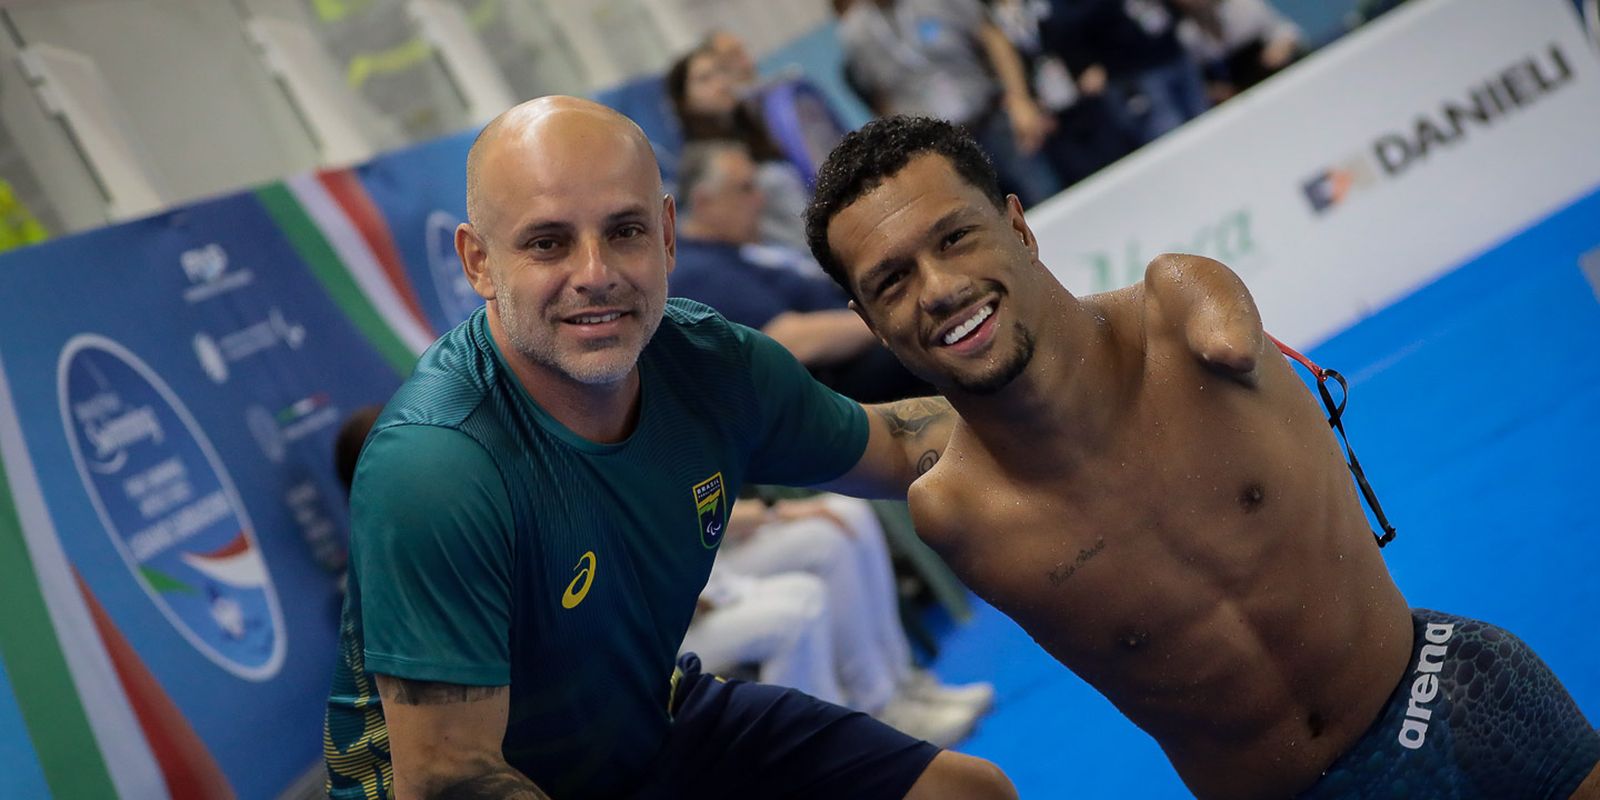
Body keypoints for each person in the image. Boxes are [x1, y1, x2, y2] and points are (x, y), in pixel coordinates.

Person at [802, 115, 1600, 799]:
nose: (938, 288)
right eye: (892, 281)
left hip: (1455, 702)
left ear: (1019, 226)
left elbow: (1218, 323)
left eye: (955, 237)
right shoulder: (953, 510)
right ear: (868, 323)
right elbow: (808, 425)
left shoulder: (1182, 308)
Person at [322, 97, 1015, 800]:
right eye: (548, 243)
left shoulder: (709, 363)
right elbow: (452, 779)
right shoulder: (437, 464)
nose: (595, 272)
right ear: (478, 262)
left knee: (967, 794)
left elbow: (898, 444)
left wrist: (1064, 380)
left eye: (625, 231)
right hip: (491, 784)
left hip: (648, 725)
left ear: (667, 236)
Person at [672, 139, 930, 403]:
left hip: (856, 336)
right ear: (704, 202)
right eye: (745, 188)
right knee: (926, 344)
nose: (759, 200)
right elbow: (789, 339)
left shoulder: (734, 250)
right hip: (839, 381)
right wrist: (889, 322)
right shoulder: (699, 272)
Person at [836, 0, 1062, 206]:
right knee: (973, 216)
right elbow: (877, 96)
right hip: (934, 147)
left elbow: (993, 38)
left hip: (990, 120)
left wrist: (1020, 100)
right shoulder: (855, 34)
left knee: (1044, 197)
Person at [667, 42, 812, 249]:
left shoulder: (758, 132)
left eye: (722, 72)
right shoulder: (700, 161)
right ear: (684, 100)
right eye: (704, 79)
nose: (720, 84)